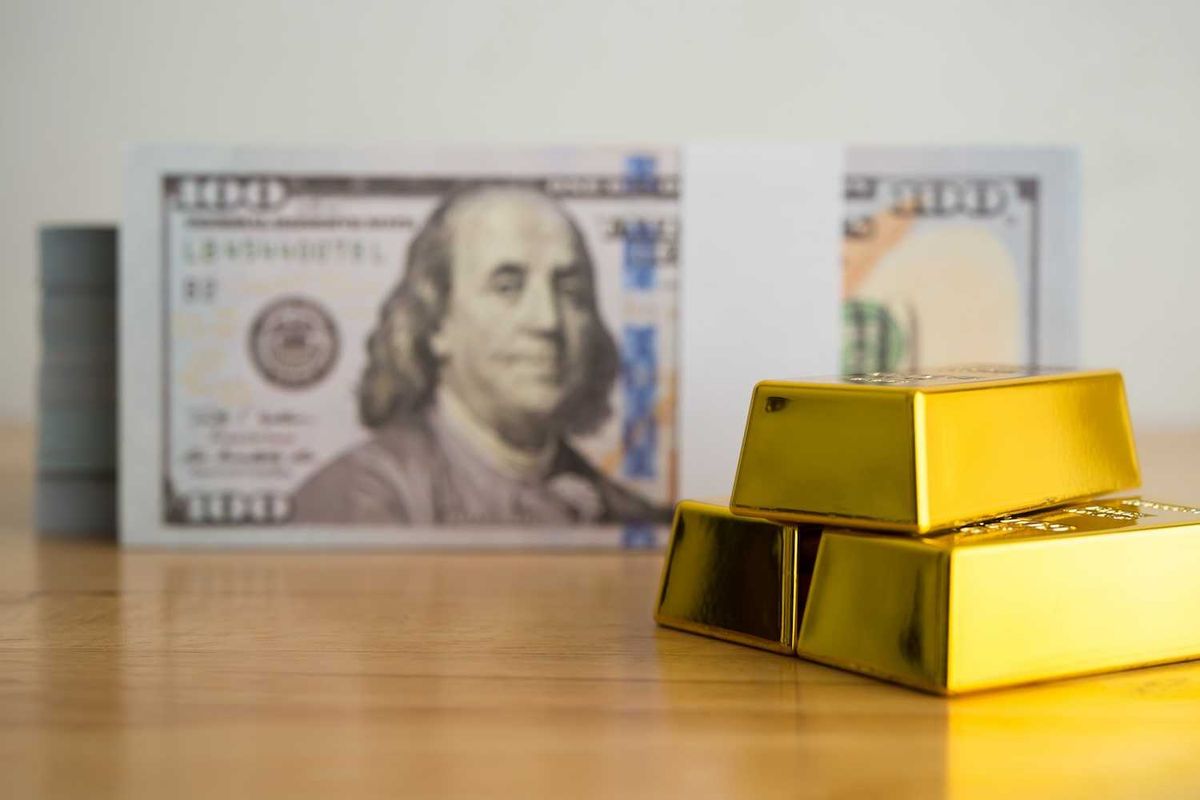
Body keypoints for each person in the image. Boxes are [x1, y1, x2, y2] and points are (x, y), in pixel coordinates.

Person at [292, 184, 666, 525]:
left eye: (570, 292)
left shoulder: (630, 516)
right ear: (437, 322)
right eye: (507, 287)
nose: (548, 320)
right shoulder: (355, 498)